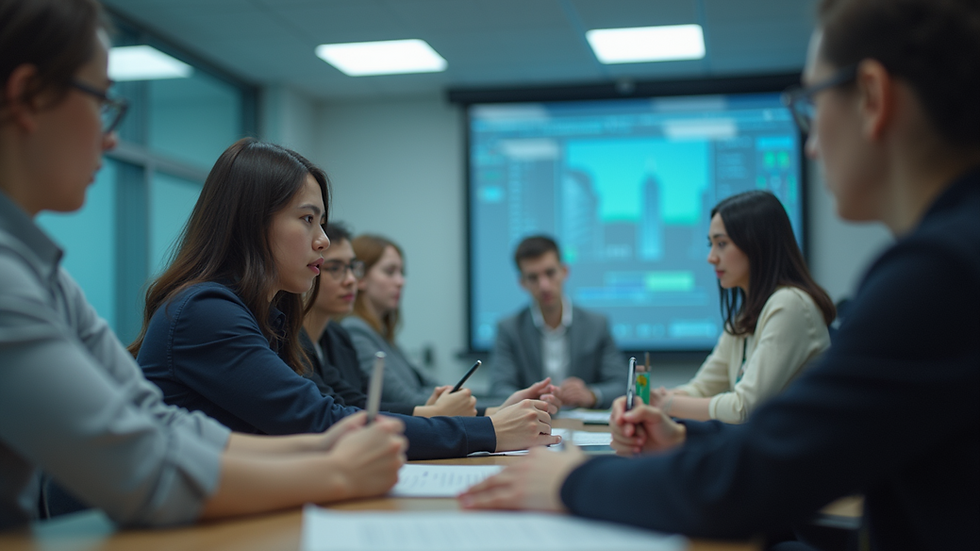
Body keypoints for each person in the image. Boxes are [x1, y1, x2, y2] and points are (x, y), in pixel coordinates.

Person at [459, 0, 980, 549]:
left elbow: (753, 472)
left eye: (810, 105)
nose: (810, 143)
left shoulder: (939, 276)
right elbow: (771, 443)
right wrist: (682, 432)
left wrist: (572, 480)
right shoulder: (954, 254)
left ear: (872, 97)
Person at [0, 0, 407, 530]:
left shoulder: (40, 270)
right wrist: (336, 473)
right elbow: (142, 469)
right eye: (101, 100)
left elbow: (156, 423)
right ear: (29, 96)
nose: (111, 135)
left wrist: (324, 450)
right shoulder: (17, 279)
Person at [133, 138, 559, 460]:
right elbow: (322, 423)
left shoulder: (265, 316)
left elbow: (334, 408)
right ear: (250, 224)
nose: (322, 241)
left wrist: (490, 418)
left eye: (321, 222)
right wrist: (489, 430)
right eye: (306, 220)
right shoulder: (205, 313)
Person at [649, 190, 835, 423]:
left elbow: (744, 408)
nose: (711, 257)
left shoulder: (790, 305)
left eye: (722, 244)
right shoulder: (744, 317)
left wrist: (666, 404)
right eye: (711, 244)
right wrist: (649, 400)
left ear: (757, 244)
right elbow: (702, 389)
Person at [342, 233, 562, 414]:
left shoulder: (383, 337)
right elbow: (411, 401)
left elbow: (434, 388)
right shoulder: (356, 331)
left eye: (402, 273)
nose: (401, 281)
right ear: (360, 277)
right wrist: (499, 407)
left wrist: (505, 403)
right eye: (390, 272)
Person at [300, 222, 479, 418]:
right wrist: (435, 412)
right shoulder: (353, 331)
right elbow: (345, 410)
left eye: (352, 267)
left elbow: (354, 401)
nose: (351, 279)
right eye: (334, 268)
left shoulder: (337, 336)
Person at [487, 235, 626, 409]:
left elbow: (621, 385)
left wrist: (590, 394)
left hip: (581, 427)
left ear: (564, 271)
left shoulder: (596, 324)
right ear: (522, 283)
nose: (544, 285)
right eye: (533, 277)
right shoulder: (509, 329)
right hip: (531, 424)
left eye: (550, 273)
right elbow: (499, 388)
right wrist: (530, 400)